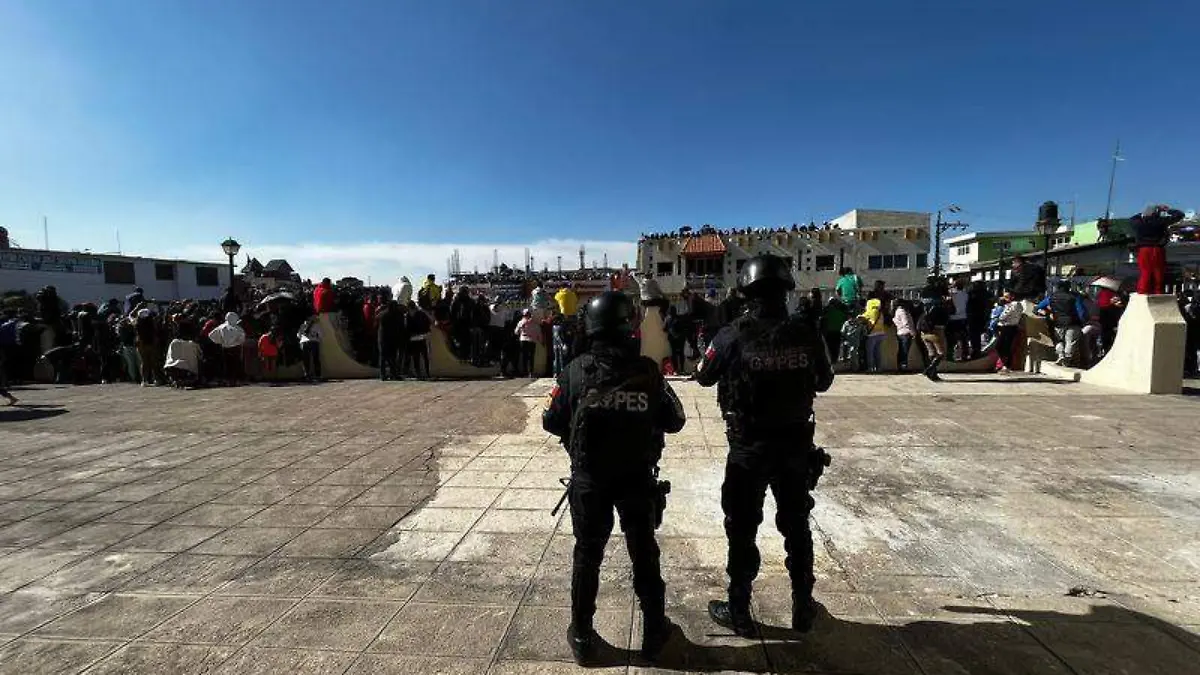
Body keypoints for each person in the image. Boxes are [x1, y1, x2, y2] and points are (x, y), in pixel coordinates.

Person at [693, 254, 834, 638]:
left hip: (749, 448)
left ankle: (739, 609)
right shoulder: (806, 332)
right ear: (786, 290)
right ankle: (803, 607)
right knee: (797, 526)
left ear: (746, 291)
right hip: (794, 446)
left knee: (742, 528)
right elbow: (824, 381)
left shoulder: (732, 334)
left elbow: (703, 375)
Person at [542, 290, 686, 663]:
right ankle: (654, 630)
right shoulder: (648, 371)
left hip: (590, 479)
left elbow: (550, 420)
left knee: (587, 555)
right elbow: (676, 419)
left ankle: (582, 636)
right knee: (644, 551)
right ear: (628, 326)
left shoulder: (574, 371)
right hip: (636, 478)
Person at [1130, 204, 1185, 295]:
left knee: (1145, 271)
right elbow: (1180, 215)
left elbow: (1132, 218)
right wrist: (1167, 210)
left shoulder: (1138, 222)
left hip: (1144, 249)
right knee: (1158, 271)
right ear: (1157, 213)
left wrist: (1145, 212)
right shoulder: (1161, 221)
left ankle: (1143, 291)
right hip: (1158, 249)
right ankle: (1158, 292)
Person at [1036, 280, 1088, 367]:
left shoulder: (1051, 297)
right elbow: (1081, 312)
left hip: (1058, 323)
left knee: (1059, 340)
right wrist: (1083, 321)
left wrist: (1047, 312)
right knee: (1070, 341)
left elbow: (1038, 307)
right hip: (1073, 323)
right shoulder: (1074, 297)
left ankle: (1060, 355)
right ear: (1068, 287)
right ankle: (1067, 360)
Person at [208, 312, 247, 384]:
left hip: (225, 348)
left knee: (226, 364)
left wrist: (220, 341)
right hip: (235, 348)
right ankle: (235, 380)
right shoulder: (238, 328)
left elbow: (211, 335)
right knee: (235, 364)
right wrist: (237, 342)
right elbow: (242, 339)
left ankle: (228, 380)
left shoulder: (221, 327)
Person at [918, 295, 949, 381]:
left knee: (932, 353)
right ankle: (929, 369)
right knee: (941, 353)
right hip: (935, 333)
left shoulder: (925, 312)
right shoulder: (941, 309)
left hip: (924, 334)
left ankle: (933, 374)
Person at [163, 324, 203, 388]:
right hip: (189, 371)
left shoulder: (173, 342)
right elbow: (200, 356)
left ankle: (177, 380)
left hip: (174, 368)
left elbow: (168, 357)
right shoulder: (193, 344)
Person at [994, 292, 1024, 373]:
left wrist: (1002, 310)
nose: (1004, 299)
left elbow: (1003, 316)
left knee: (1004, 347)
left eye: (1006, 297)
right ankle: (1005, 364)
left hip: (1009, 327)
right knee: (1002, 347)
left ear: (1012, 297)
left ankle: (1007, 365)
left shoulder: (1014, 305)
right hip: (1007, 327)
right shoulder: (1012, 305)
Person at [377, 300, 404, 381]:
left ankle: (383, 375)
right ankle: (393, 374)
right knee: (392, 357)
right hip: (393, 339)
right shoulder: (398, 314)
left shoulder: (382, 314)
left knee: (383, 357)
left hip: (383, 338)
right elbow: (401, 327)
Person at [404, 302, 431, 379]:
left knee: (419, 357)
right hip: (418, 338)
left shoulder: (410, 316)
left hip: (416, 338)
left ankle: (422, 373)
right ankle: (423, 373)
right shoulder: (419, 314)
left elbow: (407, 327)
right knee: (420, 357)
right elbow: (427, 323)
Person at [860, 298, 887, 373]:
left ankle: (870, 368)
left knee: (870, 352)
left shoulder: (869, 312)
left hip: (872, 335)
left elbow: (860, 319)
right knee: (877, 351)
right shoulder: (880, 313)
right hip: (881, 334)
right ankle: (879, 368)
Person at [946, 278, 970, 360]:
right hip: (963, 317)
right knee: (963, 337)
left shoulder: (951, 294)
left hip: (953, 318)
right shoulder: (966, 294)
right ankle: (964, 354)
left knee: (952, 338)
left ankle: (950, 355)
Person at [515, 309, 540, 378]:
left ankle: (530, 372)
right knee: (525, 357)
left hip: (530, 340)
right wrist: (521, 327)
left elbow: (538, 331)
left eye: (528, 315)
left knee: (529, 357)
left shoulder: (533, 322)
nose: (527, 316)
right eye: (526, 315)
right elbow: (516, 332)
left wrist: (539, 338)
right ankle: (526, 372)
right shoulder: (521, 322)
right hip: (525, 340)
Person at [298, 316, 323, 382]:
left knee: (306, 360)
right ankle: (318, 375)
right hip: (314, 342)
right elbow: (321, 335)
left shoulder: (303, 325)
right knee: (316, 359)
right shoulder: (316, 325)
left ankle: (307, 375)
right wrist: (316, 337)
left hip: (305, 343)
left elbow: (298, 335)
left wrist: (303, 338)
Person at [893, 299, 916, 372]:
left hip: (900, 332)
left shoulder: (897, 311)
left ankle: (901, 367)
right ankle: (903, 367)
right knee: (904, 351)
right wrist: (912, 332)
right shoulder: (902, 312)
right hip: (906, 333)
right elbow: (906, 323)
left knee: (902, 351)